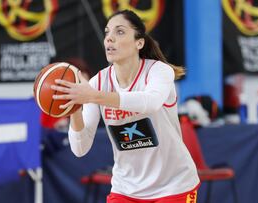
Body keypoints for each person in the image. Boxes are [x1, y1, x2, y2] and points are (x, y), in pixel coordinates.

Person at [52, 10, 200, 203]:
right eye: (107, 33)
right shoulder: (98, 83)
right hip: (126, 189)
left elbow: (151, 103)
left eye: (119, 32)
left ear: (139, 43)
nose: (109, 39)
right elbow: (80, 149)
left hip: (173, 186)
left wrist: (94, 96)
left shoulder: (158, 72)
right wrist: (74, 108)